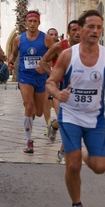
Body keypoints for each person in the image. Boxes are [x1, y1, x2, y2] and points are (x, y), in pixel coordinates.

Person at [46, 10, 105, 207]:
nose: (95, 31)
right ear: (80, 29)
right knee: (73, 165)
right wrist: (57, 93)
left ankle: (85, 152)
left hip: (95, 117)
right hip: (70, 115)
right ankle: (76, 205)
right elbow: (51, 81)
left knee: (100, 167)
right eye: (91, 27)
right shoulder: (69, 55)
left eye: (99, 27)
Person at [8, 10, 55, 153]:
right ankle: (28, 141)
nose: (32, 24)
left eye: (35, 21)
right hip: (25, 76)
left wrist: (46, 67)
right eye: (30, 21)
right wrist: (10, 61)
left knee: (39, 112)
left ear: (39, 23)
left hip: (41, 78)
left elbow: (56, 55)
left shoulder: (46, 39)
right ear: (26, 23)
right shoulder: (19, 39)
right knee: (28, 105)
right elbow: (14, 53)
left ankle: (40, 118)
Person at [38, 19, 80, 164]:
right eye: (73, 30)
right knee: (65, 119)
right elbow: (43, 62)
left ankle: (61, 149)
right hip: (58, 89)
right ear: (68, 33)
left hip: (76, 90)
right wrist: (53, 76)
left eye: (79, 29)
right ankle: (57, 130)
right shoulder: (59, 46)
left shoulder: (86, 48)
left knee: (73, 122)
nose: (77, 32)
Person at [42, 27, 60, 137]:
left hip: (58, 80)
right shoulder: (44, 47)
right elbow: (42, 61)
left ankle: (55, 124)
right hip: (46, 77)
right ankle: (48, 125)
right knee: (46, 103)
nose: (53, 36)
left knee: (56, 104)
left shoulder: (60, 47)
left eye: (55, 34)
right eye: (51, 34)